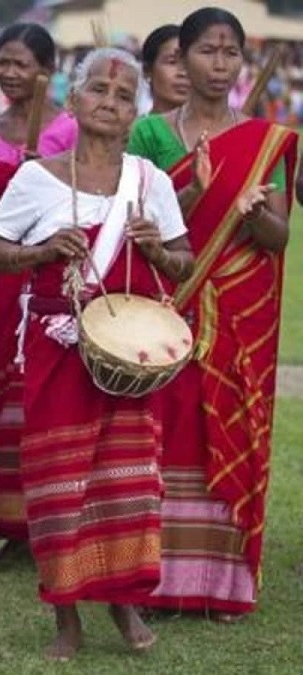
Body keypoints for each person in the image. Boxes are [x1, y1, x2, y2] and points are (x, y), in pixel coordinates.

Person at [0, 47, 194, 660]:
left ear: (135, 114)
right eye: (97, 89)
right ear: (72, 102)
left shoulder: (149, 182)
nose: (109, 101)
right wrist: (39, 251)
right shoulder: (37, 177)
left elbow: (186, 263)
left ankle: (124, 602)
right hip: (58, 350)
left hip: (132, 354)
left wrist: (158, 251)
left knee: (128, 484)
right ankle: (66, 618)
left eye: (123, 96)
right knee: (59, 482)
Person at [128, 7, 298, 621]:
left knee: (230, 425)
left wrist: (256, 212)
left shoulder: (267, 141)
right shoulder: (149, 135)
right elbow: (137, 214)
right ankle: (158, 577)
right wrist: (193, 190)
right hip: (168, 302)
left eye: (230, 53)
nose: (219, 64)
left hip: (238, 315)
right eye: (206, 51)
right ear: (183, 56)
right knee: (164, 428)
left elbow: (278, 239)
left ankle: (223, 584)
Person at [0, 23, 78, 562]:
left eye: (21, 63)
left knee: (44, 389)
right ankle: (11, 523)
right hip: (0, 283)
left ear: (46, 71)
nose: (8, 73)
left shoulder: (71, 133)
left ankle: (52, 516)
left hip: (51, 277)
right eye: (3, 61)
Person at [140, 25, 189, 115]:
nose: (183, 73)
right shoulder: (136, 128)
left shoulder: (216, 128)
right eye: (172, 62)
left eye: (189, 63)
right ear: (147, 70)